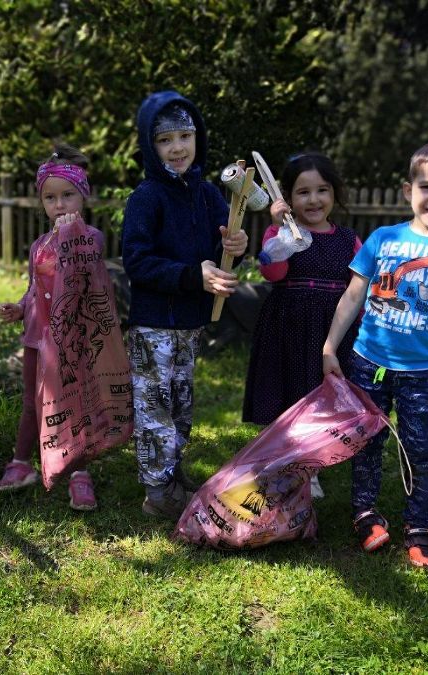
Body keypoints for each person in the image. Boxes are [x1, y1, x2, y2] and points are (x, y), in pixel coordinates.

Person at [322, 140, 428, 570]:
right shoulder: (383, 239)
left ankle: (418, 529)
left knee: (420, 449)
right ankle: (365, 515)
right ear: (406, 190)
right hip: (368, 362)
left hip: (425, 372)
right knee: (367, 441)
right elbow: (353, 296)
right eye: (427, 185)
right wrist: (329, 345)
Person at [122, 91, 249, 519]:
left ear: (198, 138)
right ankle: (157, 493)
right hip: (154, 324)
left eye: (184, 135)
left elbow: (221, 247)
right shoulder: (147, 197)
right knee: (154, 406)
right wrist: (194, 275)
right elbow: (138, 262)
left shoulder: (209, 193)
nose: (177, 148)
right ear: (149, 145)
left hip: (189, 324)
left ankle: (171, 473)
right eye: (165, 140)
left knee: (179, 403)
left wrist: (237, 245)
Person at [0, 144, 129, 510]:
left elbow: (84, 275)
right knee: (30, 402)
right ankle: (21, 463)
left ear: (82, 197)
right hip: (38, 337)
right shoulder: (39, 245)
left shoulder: (91, 238)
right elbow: (35, 288)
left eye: (68, 195)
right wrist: (20, 308)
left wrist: (70, 236)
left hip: (73, 341)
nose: (59, 204)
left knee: (75, 403)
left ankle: (79, 473)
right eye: (50, 197)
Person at [242, 152, 362, 499]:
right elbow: (272, 272)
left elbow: (359, 287)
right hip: (288, 325)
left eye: (322, 190)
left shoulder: (348, 239)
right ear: (289, 199)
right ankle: (279, 457)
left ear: (335, 194)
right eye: (303, 192)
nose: (313, 199)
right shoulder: (280, 234)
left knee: (318, 398)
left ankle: (309, 467)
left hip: (331, 329)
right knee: (286, 390)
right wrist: (281, 233)